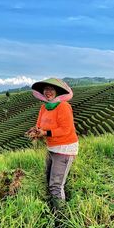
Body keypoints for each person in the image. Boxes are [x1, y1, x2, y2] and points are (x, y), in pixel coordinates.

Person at [27, 78, 78, 208]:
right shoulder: (44, 107)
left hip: (64, 149)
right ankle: (54, 206)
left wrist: (45, 133)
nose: (48, 92)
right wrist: (35, 131)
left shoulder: (64, 106)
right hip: (52, 148)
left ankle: (61, 217)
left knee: (56, 185)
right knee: (49, 178)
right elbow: (39, 125)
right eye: (46, 89)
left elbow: (65, 129)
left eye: (51, 89)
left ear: (57, 92)